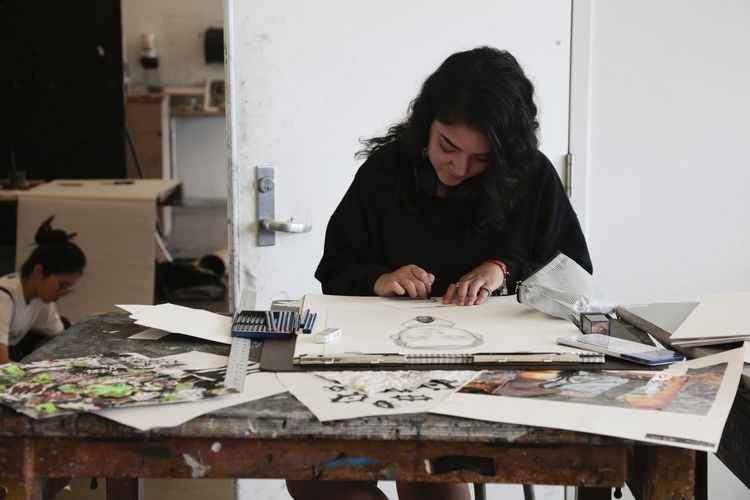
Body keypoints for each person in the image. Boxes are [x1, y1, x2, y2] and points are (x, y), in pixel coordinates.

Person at [288, 47, 592, 500]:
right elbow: (335, 268)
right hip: (385, 370)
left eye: (480, 158)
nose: (459, 168)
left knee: (432, 470)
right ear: (426, 122)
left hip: (495, 376)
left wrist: (503, 270)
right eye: (447, 146)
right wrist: (378, 280)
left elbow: (575, 278)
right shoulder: (386, 172)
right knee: (312, 474)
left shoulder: (531, 177)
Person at [0, 216, 87, 364]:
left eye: (68, 289)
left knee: (64, 325)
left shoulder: (39, 298)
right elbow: (2, 365)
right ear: (38, 271)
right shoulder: (4, 298)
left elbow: (57, 336)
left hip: (12, 351)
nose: (61, 294)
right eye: (62, 285)